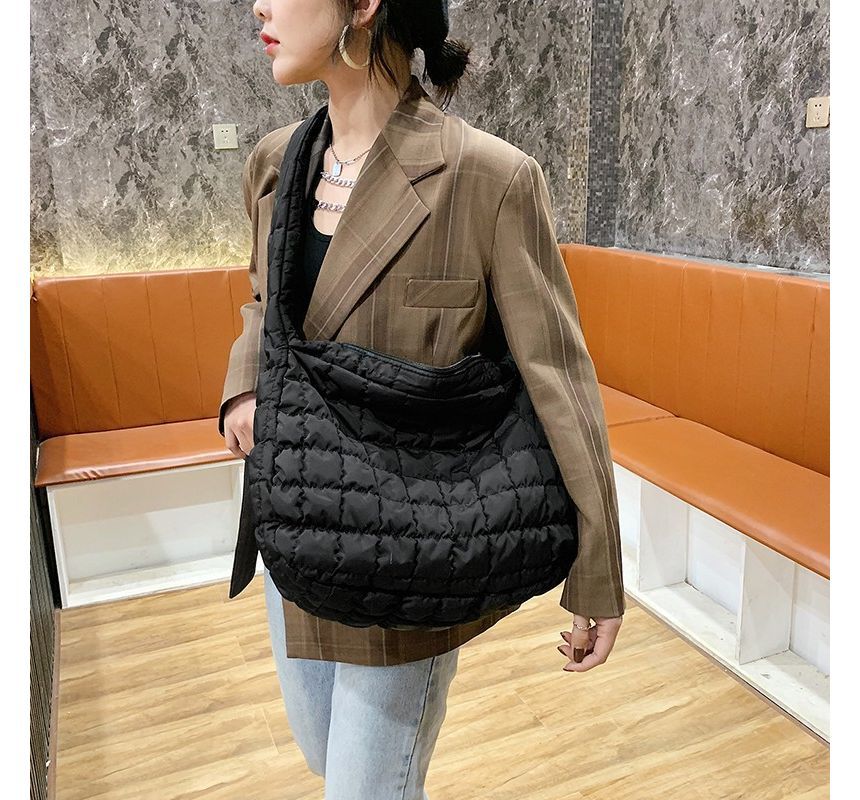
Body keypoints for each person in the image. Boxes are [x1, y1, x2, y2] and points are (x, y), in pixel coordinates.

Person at [220, 1, 625, 797]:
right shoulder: (278, 163)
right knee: (322, 753)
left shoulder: (490, 177)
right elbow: (267, 305)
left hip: (412, 543)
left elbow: (558, 374)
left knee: (366, 788)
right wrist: (244, 387)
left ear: (365, 5)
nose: (259, 5)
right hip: (297, 516)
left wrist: (598, 569)